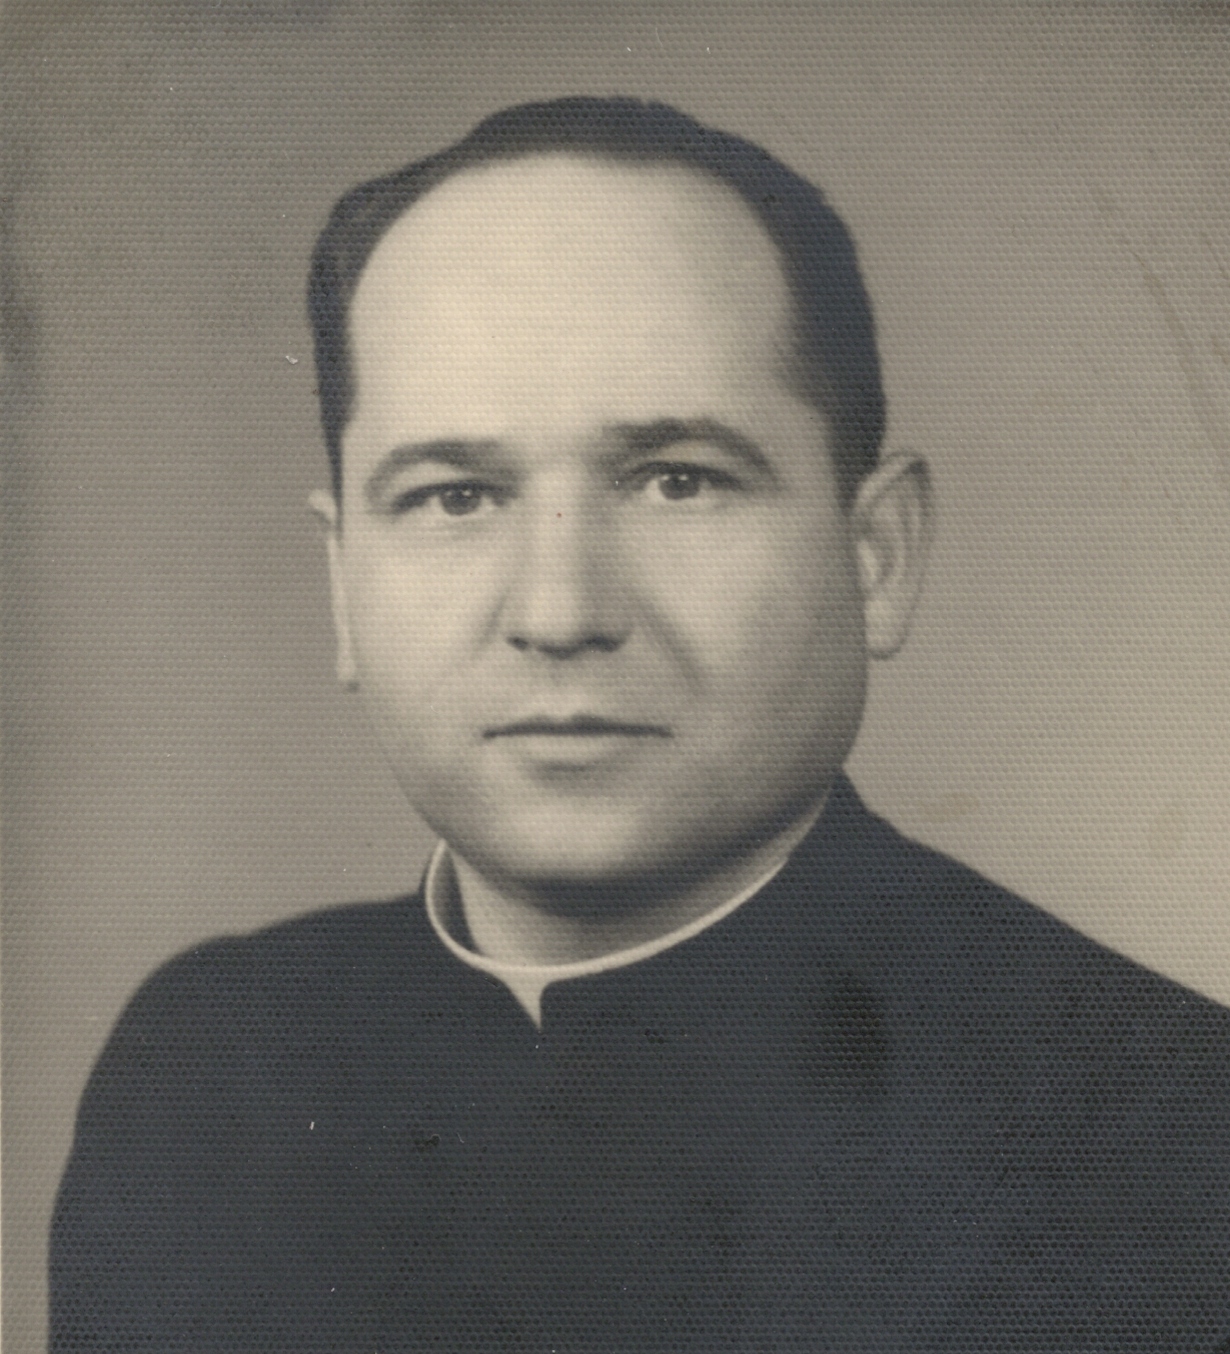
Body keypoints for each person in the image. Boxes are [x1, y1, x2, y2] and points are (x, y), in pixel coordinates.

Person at [50, 96, 1230, 1352]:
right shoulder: (206, 1071)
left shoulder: (1168, 1138)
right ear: (344, 587)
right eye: (456, 496)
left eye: (679, 480)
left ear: (876, 555)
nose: (559, 612)